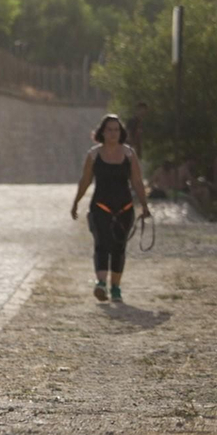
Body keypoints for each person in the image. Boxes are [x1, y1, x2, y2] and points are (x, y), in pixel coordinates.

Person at [71, 114, 150, 304]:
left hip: (125, 207)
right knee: (101, 243)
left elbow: (137, 181)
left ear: (121, 132)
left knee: (118, 247)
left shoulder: (129, 154)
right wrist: (76, 202)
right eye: (109, 130)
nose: (113, 133)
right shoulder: (94, 155)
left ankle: (115, 288)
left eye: (116, 130)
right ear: (102, 132)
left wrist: (145, 205)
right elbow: (85, 180)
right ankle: (100, 283)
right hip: (100, 206)